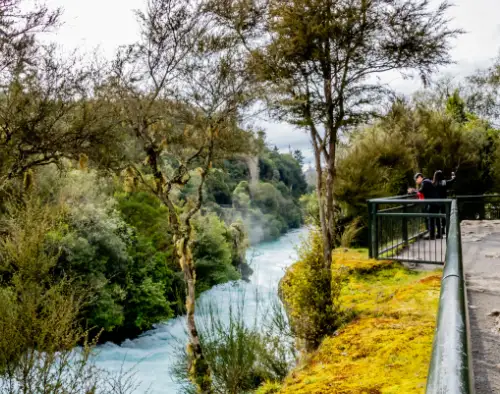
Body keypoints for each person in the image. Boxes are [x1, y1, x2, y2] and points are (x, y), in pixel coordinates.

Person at [408, 173, 440, 239]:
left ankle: (432, 235)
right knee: (436, 218)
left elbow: (421, 191)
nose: (416, 181)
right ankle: (438, 234)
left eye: (416, 179)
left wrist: (413, 191)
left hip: (432, 203)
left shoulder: (425, 182)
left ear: (420, 177)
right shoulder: (428, 181)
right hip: (435, 202)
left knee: (431, 219)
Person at [433, 170, 456, 235]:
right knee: (444, 215)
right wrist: (453, 177)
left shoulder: (434, 183)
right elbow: (451, 181)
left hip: (436, 202)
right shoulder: (444, 182)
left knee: (437, 216)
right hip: (444, 201)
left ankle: (438, 230)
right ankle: (443, 229)